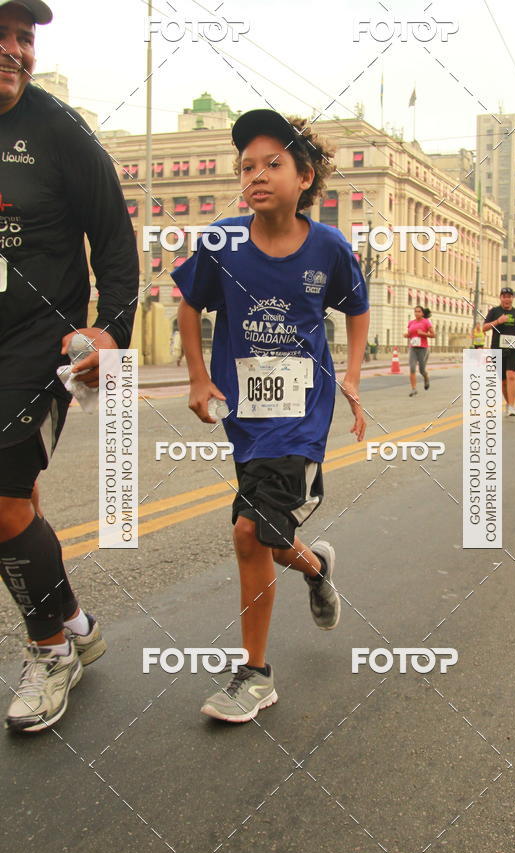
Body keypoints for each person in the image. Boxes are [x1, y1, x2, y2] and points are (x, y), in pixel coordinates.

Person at [172, 109, 369, 723]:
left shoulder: (329, 246)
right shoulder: (222, 242)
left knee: (248, 532)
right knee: (266, 535)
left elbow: (357, 309)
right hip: (245, 415)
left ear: (304, 175)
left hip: (302, 414)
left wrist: (354, 376)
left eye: (272, 164)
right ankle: (316, 566)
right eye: (246, 166)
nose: (256, 175)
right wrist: (200, 376)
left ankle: (255, 674)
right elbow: (187, 304)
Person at [0, 0, 139, 732]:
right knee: (13, 501)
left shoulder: (58, 131)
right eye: (2, 33)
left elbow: (115, 240)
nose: (15, 50)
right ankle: (76, 623)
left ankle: (50, 652)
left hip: (40, 340)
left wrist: (109, 331)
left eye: (23, 38)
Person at [482, 287, 515, 416]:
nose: (507, 299)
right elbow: (484, 328)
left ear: (513, 298)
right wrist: (498, 321)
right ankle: (508, 402)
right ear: (500, 298)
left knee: (511, 375)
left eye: (509, 296)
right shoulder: (494, 311)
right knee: (503, 380)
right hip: (498, 349)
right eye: (504, 296)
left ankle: (512, 406)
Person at [405, 305, 434, 396]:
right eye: (415, 311)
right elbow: (410, 334)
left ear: (422, 313)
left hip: (423, 348)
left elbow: (433, 335)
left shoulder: (426, 322)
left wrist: (423, 333)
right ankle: (414, 389)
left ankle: (426, 378)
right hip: (413, 348)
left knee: (421, 370)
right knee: (412, 368)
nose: (416, 313)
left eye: (419, 311)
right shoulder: (411, 323)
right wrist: (407, 335)